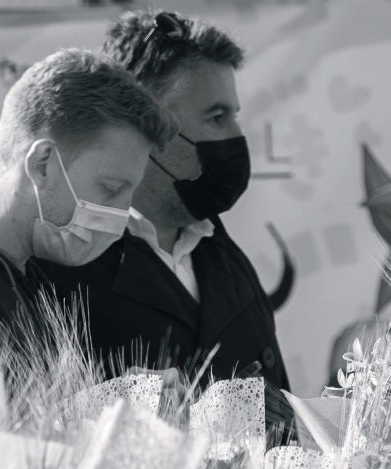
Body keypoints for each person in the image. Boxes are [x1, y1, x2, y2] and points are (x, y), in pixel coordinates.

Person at [38, 9, 290, 391]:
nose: (237, 136)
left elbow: (284, 415)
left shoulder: (228, 260)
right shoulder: (60, 270)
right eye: (217, 117)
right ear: (145, 122)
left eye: (234, 116)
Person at [0, 48, 172, 359]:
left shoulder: (31, 281)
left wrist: (118, 390)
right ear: (42, 164)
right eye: (111, 188)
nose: (123, 214)